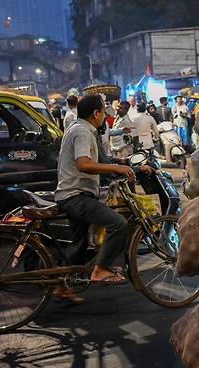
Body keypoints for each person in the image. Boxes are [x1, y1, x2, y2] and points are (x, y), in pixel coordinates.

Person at [53, 95, 136, 303]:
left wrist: (125, 164)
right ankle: (101, 269)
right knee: (118, 223)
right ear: (96, 113)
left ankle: (62, 286)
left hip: (71, 194)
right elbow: (84, 164)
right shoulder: (82, 131)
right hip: (76, 195)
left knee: (78, 245)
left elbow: (102, 160)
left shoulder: (79, 128)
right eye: (103, 112)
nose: (105, 117)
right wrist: (116, 167)